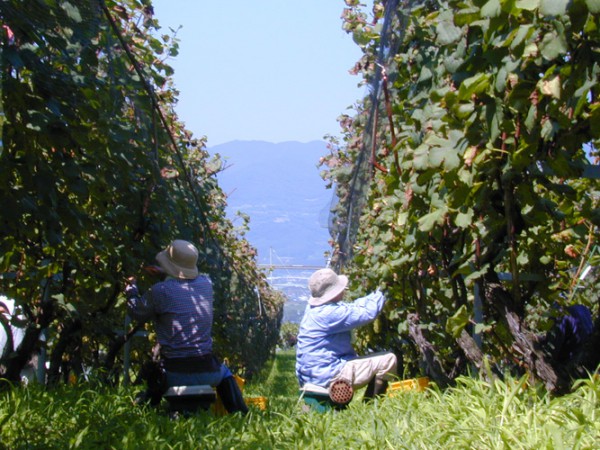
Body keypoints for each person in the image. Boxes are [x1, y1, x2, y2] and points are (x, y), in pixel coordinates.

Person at [125, 239, 248, 414]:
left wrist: (131, 288)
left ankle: (147, 409)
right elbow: (184, 284)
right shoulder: (207, 285)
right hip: (209, 372)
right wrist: (165, 271)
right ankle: (240, 413)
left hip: (174, 374)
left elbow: (136, 311)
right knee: (226, 373)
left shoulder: (160, 291)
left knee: (153, 371)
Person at [295, 268, 397, 403]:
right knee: (388, 360)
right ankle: (371, 406)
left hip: (312, 375)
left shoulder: (314, 309)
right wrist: (384, 289)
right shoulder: (330, 314)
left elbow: (353, 307)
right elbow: (368, 313)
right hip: (328, 375)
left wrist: (374, 294)